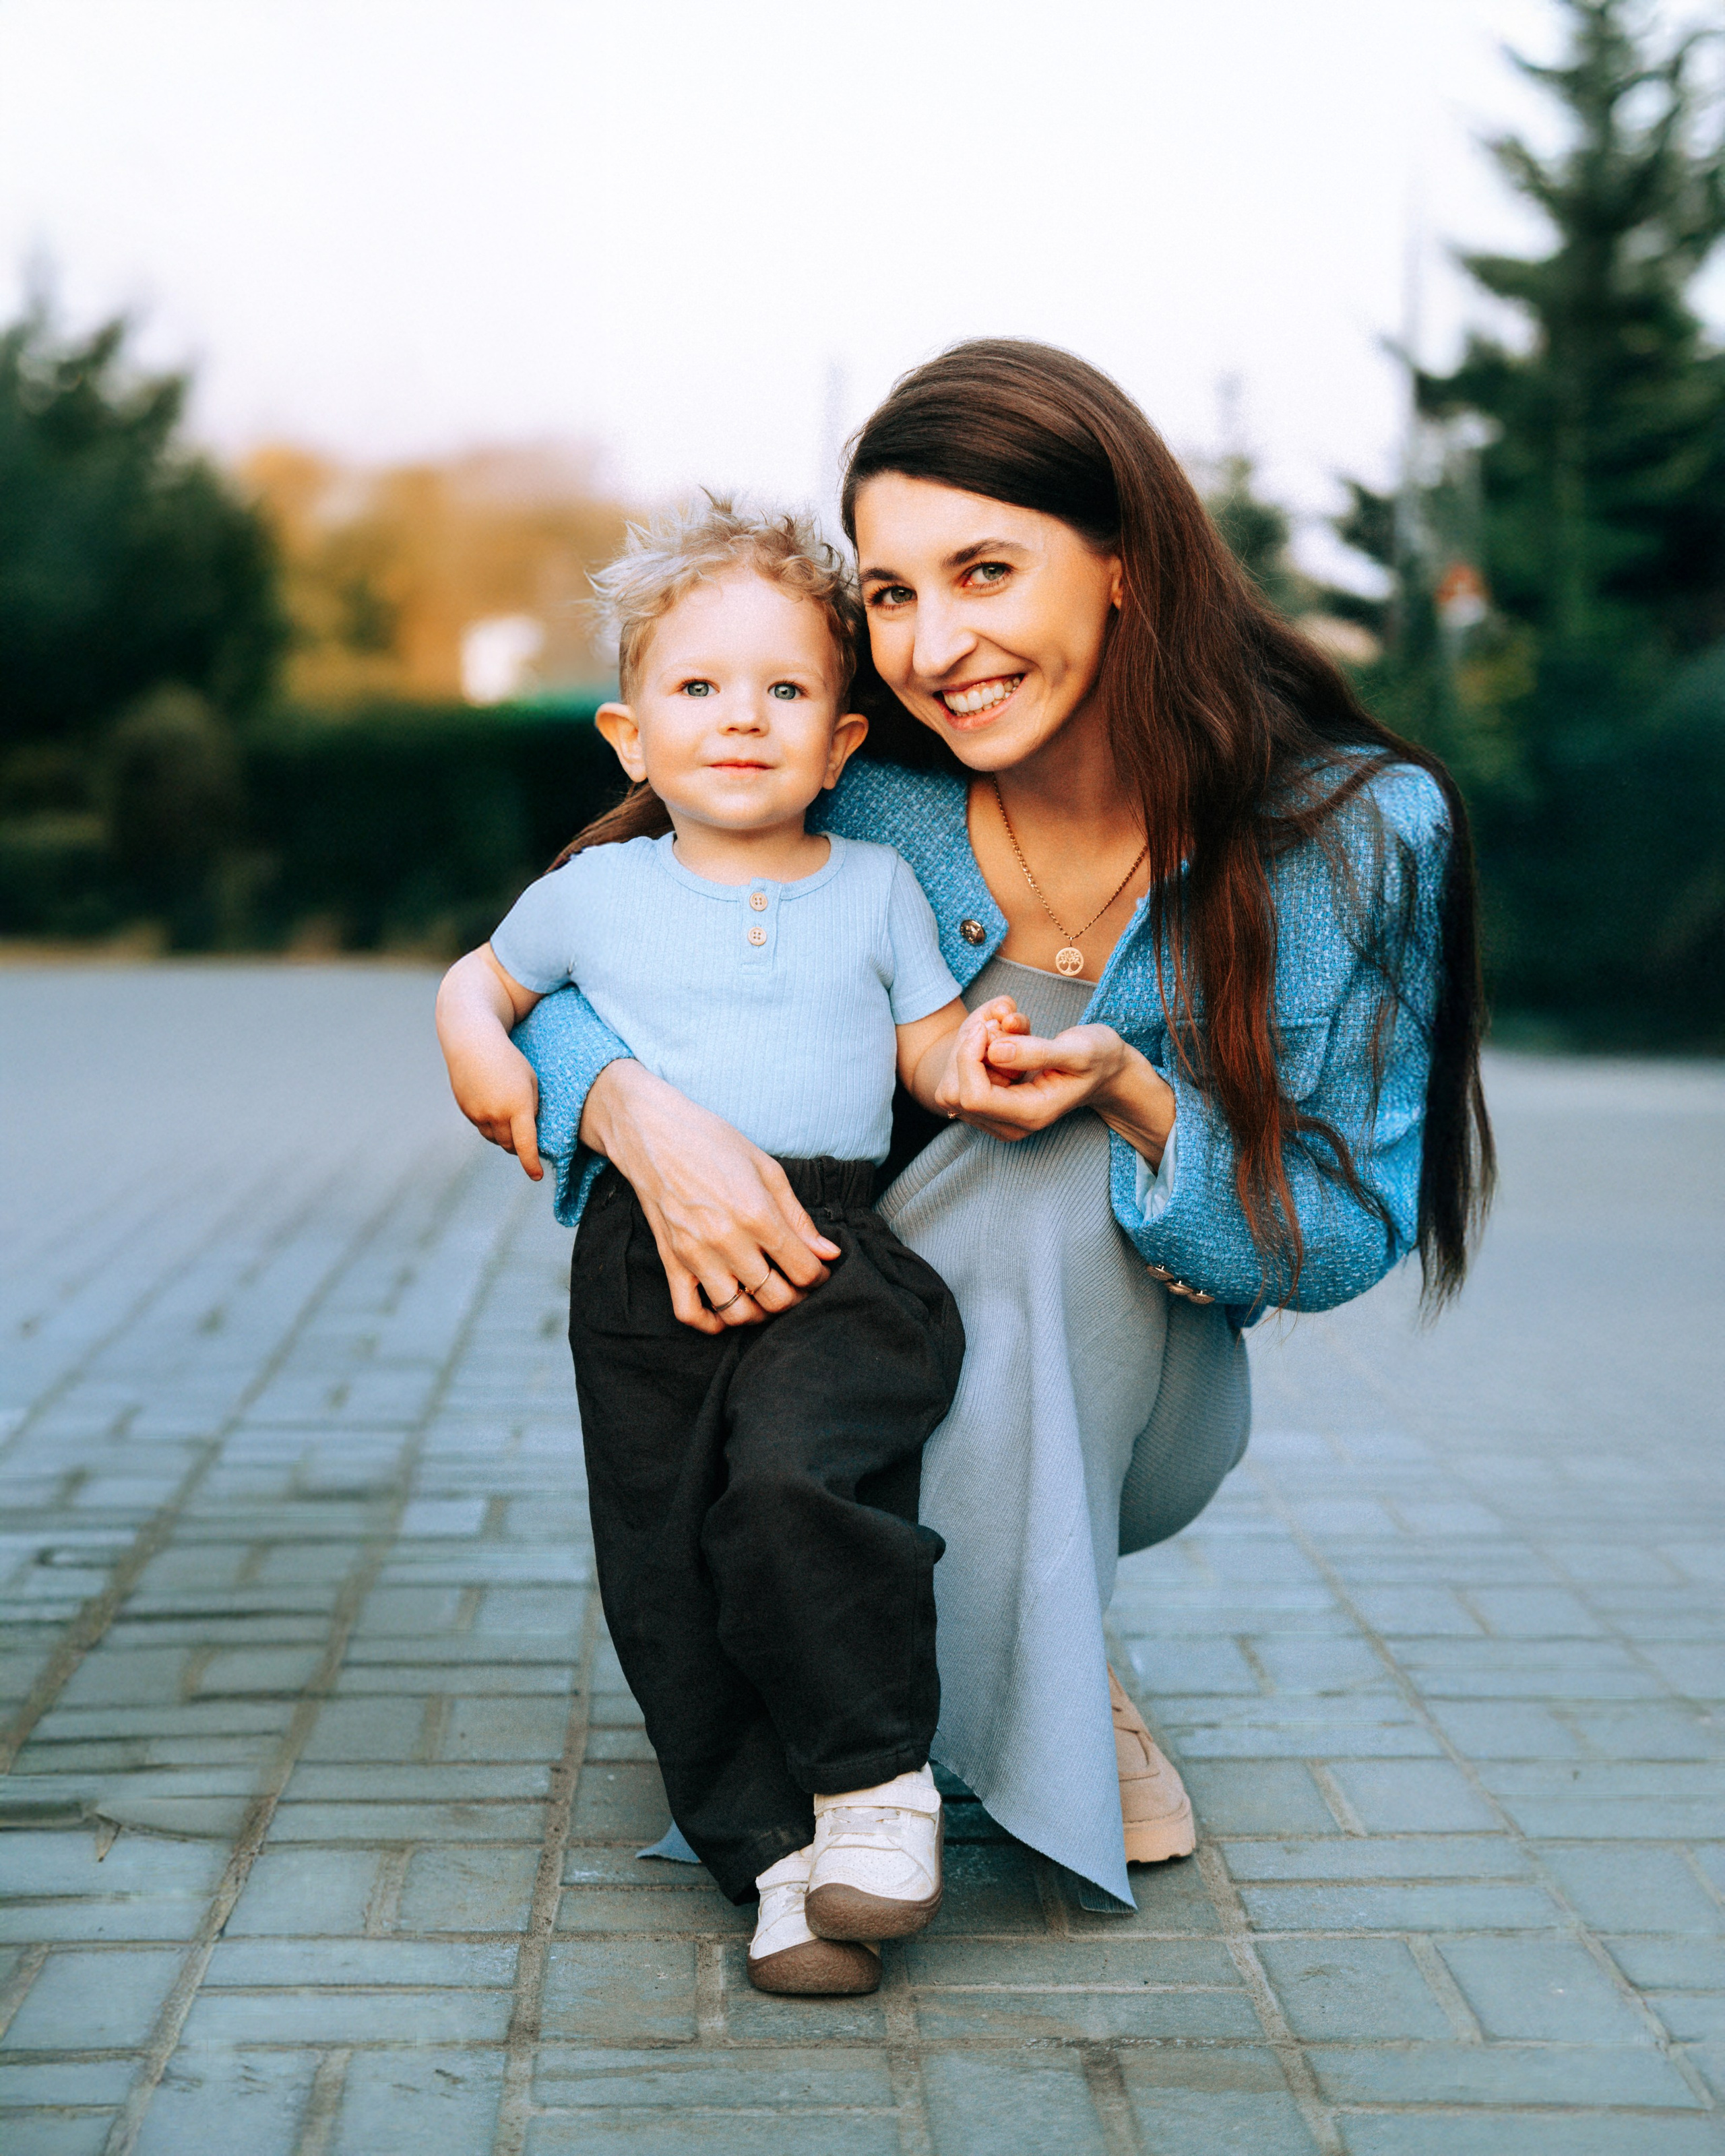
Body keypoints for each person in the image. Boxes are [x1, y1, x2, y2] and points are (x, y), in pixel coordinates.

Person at [515, 341, 1495, 1911]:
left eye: (984, 572)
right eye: (890, 595)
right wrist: (631, 1112)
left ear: (1120, 564)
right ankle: (1015, 1671)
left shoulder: (1352, 832)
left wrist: (1133, 1093)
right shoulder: (855, 793)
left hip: (1136, 1405)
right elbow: (568, 957)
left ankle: (976, 1685)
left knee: (1042, 1151)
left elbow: (1335, 1235)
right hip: (814, 1377)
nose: (934, 645)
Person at [436, 501, 1026, 1994]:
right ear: (630, 737)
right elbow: (481, 982)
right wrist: (477, 1045)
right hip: (641, 1272)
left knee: (792, 1489)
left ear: (840, 744)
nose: (743, 718)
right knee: (663, 1570)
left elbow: (929, 1050)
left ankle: (874, 1788)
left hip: (837, 1255)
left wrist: (982, 1059)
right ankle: (770, 1863)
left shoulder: (876, 888)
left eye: (784, 689)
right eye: (698, 687)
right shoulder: (592, 896)